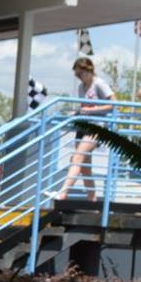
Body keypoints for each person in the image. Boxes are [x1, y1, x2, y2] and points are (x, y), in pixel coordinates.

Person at [58, 56, 115, 199]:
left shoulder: (99, 84)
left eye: (80, 73)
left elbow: (114, 104)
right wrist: (77, 112)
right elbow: (84, 107)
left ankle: (63, 193)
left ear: (89, 70)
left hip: (96, 127)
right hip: (83, 126)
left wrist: (93, 109)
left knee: (76, 158)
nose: (79, 77)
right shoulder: (80, 87)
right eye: (77, 75)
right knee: (85, 167)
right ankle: (92, 200)